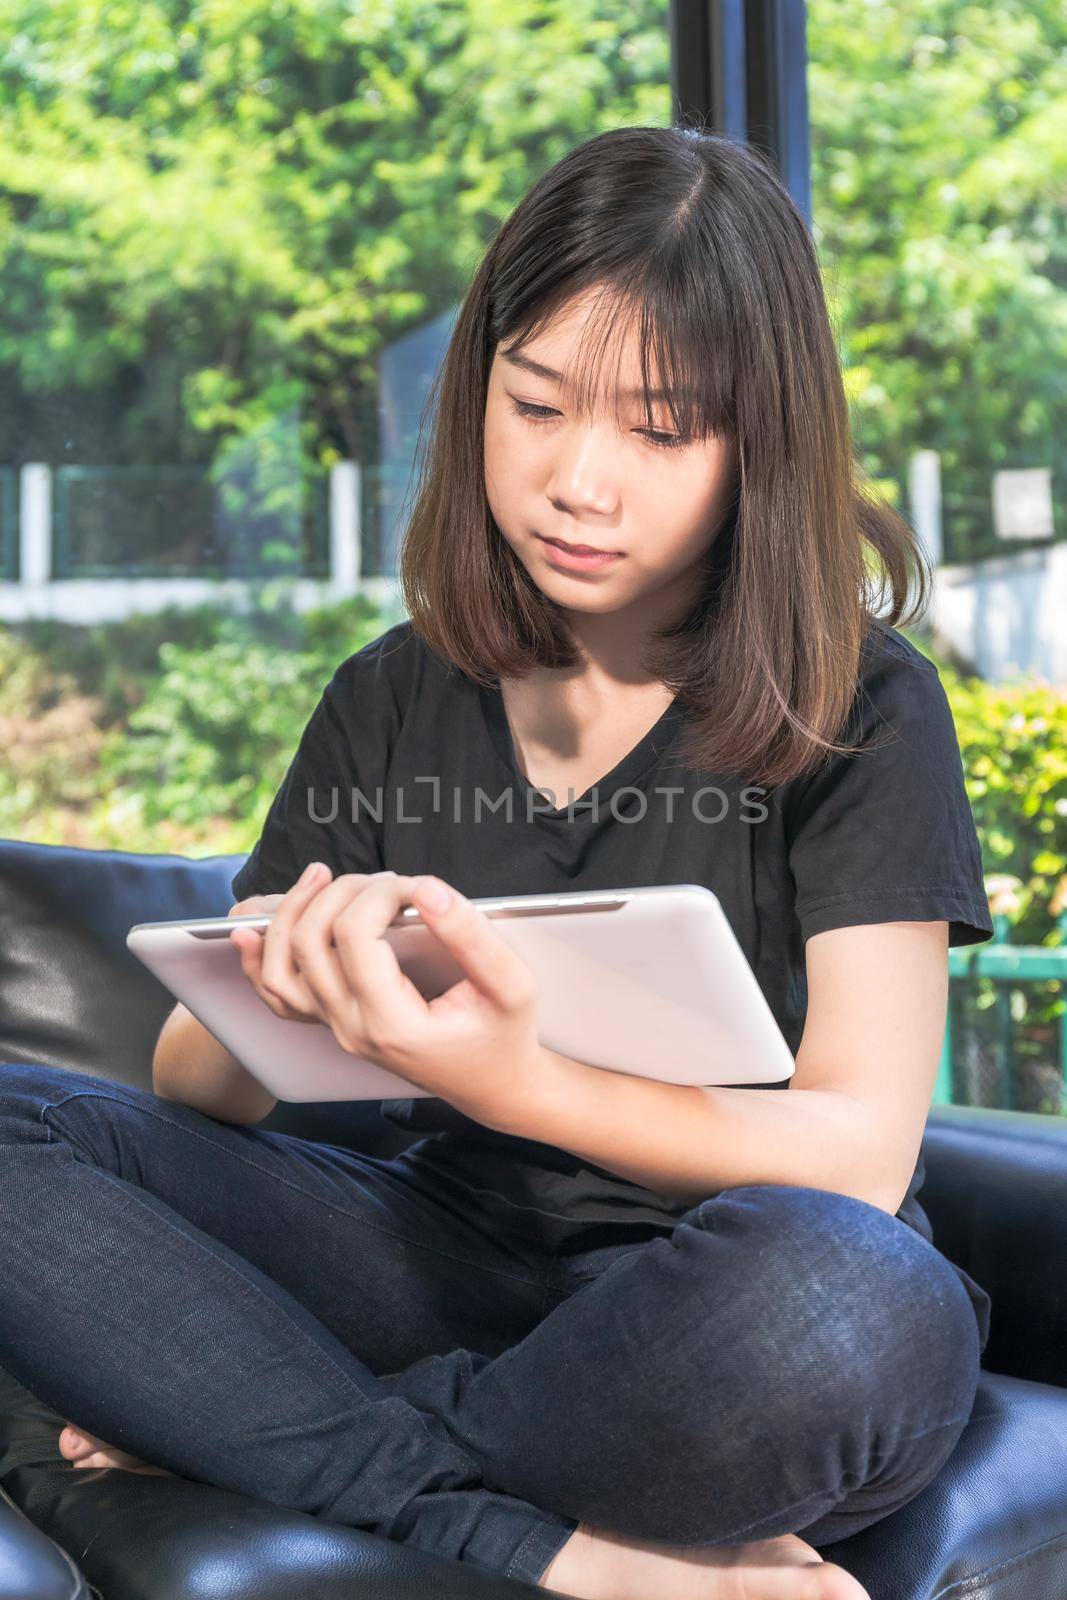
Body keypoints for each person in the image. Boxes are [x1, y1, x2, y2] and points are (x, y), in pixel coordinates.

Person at [0, 126, 994, 1600]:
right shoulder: (390, 695)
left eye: (661, 432)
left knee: (852, 1312)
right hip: (438, 1255)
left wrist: (512, 1078)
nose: (578, 483)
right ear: (479, 392)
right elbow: (191, 1091)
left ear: (757, 448)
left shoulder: (859, 703)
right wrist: (284, 995)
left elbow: (856, 1155)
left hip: (725, 1292)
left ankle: (237, 1421)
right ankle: (529, 1538)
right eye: (536, 406)